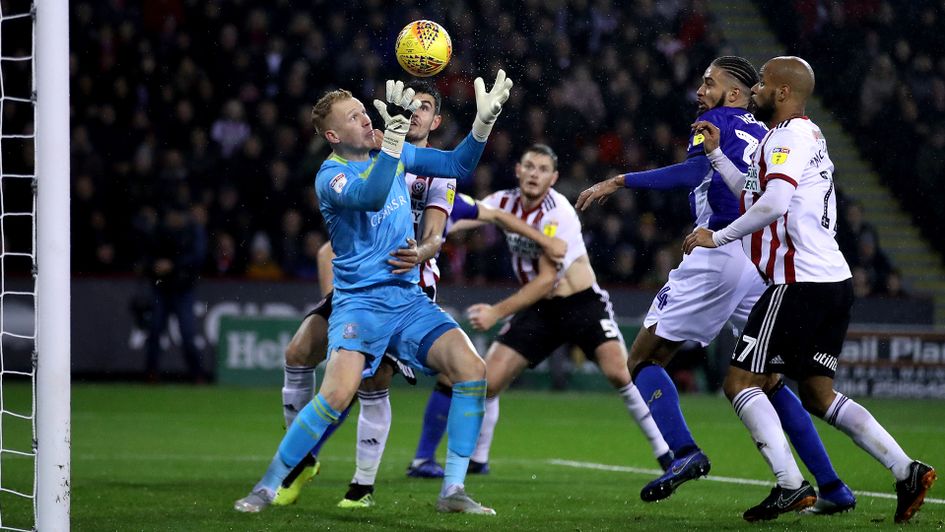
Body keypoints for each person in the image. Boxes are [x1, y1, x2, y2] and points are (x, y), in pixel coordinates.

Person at [575, 56, 854, 513]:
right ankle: (832, 486)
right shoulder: (771, 133)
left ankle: (684, 453)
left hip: (719, 251)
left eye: (710, 83)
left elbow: (692, 173)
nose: (700, 91)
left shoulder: (711, 122)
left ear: (737, 94)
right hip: (760, 258)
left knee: (643, 357)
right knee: (766, 378)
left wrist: (619, 180)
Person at [273, 81, 565, 510]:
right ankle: (303, 461)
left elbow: (437, 233)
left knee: (372, 384)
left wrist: (421, 251)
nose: (416, 114)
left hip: (407, 285)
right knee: (300, 354)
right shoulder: (374, 146)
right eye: (413, 105)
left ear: (435, 121)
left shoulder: (434, 172)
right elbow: (332, 238)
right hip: (360, 289)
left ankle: (362, 484)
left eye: (426, 108)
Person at [685, 55, 936, 523]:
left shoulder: (789, 136)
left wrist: (716, 237)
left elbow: (775, 202)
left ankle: (790, 485)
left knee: (740, 382)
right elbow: (755, 191)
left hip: (798, 282)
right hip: (831, 281)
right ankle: (906, 470)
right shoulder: (796, 138)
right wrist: (718, 156)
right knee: (819, 395)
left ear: (782, 92)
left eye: (761, 83)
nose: (754, 89)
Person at [462, 144, 672, 473]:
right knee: (489, 382)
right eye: (529, 166)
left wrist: (495, 312)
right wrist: (435, 226)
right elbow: (465, 213)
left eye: (542, 169)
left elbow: (547, 280)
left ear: (554, 177)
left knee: (619, 372)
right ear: (517, 170)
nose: (534, 173)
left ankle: (666, 453)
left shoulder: (558, 211)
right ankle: (478, 460)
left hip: (581, 303)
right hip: (540, 309)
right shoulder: (503, 202)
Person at [143, 204, 209, 383]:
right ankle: (151, 373)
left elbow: (198, 257)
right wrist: (154, 266)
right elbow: (147, 257)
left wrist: (172, 265)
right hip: (162, 288)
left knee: (187, 334)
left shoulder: (192, 231)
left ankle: (197, 374)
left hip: (183, 289)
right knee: (155, 330)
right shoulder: (158, 231)